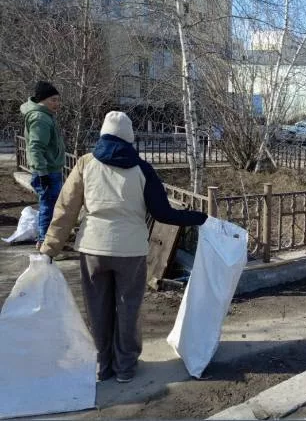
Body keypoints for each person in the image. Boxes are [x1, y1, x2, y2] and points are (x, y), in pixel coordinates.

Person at [40, 111, 208, 383]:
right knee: (128, 308)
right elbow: (163, 213)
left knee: (97, 309)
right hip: (131, 251)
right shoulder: (142, 169)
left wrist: (49, 248)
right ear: (130, 137)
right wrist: (199, 218)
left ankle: (102, 365)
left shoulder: (85, 163)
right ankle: (125, 367)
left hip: (93, 249)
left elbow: (65, 208)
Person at [20, 81, 65, 249]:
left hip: (49, 170)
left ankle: (46, 240)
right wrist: (42, 173)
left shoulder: (45, 115)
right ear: (42, 100)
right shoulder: (40, 118)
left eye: (58, 100)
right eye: (53, 100)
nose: (57, 103)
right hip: (47, 171)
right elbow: (36, 147)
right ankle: (45, 242)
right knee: (48, 206)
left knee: (50, 205)